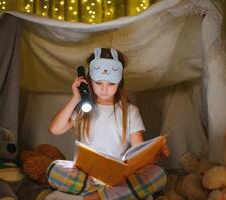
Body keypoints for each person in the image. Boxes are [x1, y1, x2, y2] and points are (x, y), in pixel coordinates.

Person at [46, 47, 170, 200]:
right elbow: (55, 129)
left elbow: (139, 153)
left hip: (118, 178)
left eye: (111, 84)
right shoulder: (83, 109)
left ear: (119, 83)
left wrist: (155, 153)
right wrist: (76, 98)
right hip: (87, 176)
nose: (104, 90)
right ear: (89, 81)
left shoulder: (131, 111)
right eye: (98, 83)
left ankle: (93, 197)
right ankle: (114, 195)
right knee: (54, 168)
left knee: (158, 174)